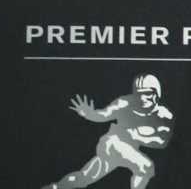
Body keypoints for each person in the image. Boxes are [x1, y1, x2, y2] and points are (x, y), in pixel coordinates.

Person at [42, 75, 172, 189]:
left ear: (156, 94)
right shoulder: (125, 103)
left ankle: (56, 187)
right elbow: (104, 115)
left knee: (83, 178)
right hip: (113, 144)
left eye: (147, 93)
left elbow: (162, 141)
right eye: (139, 94)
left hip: (128, 150)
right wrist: (90, 114)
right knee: (146, 166)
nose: (143, 98)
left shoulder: (164, 115)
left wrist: (136, 136)